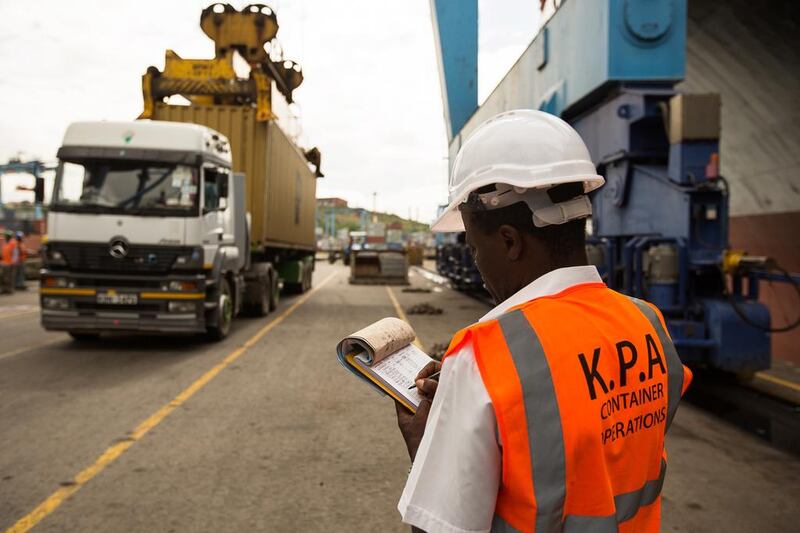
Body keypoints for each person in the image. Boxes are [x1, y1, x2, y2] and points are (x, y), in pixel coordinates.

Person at [395, 110, 692, 533]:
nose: (477, 265)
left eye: (476, 250)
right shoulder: (649, 325)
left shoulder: (483, 354)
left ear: (509, 242)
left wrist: (426, 448)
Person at [1, 230, 18, 294]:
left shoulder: (13, 243)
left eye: (7, 236)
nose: (6, 237)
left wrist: (13, 262)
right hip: (4, 263)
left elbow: (15, 253)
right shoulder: (5, 243)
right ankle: (4, 289)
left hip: (10, 263)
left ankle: (10, 290)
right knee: (3, 277)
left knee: (10, 278)